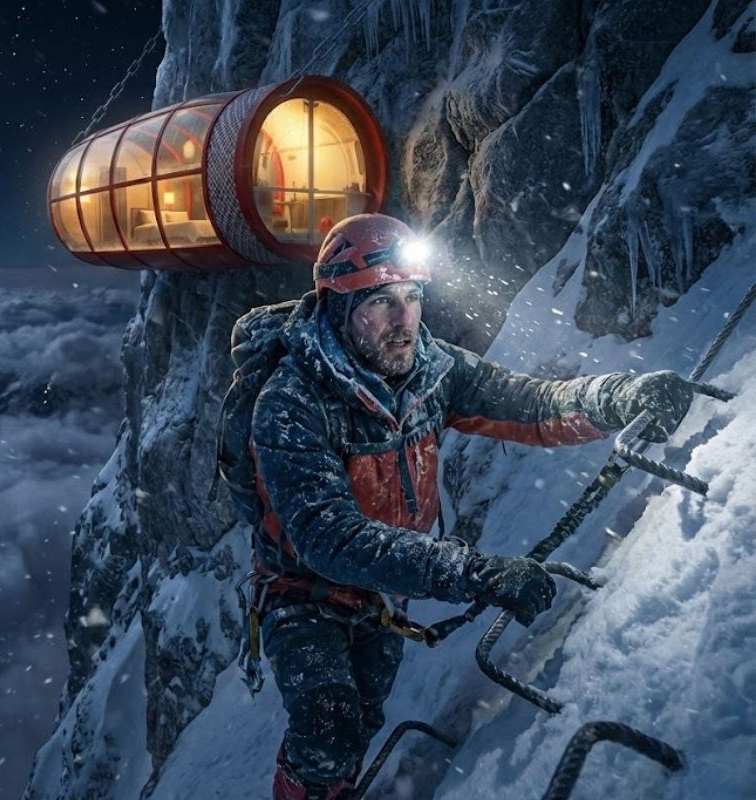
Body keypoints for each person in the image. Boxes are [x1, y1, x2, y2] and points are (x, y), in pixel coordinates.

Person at [248, 214, 696, 800]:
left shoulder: (431, 371)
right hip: (303, 594)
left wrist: (616, 397)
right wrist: (472, 572)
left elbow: (529, 404)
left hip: (384, 591)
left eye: (413, 298)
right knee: (328, 732)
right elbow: (329, 537)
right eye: (382, 302)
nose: (404, 321)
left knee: (359, 723)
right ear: (339, 309)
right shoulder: (291, 404)